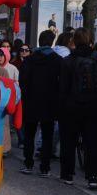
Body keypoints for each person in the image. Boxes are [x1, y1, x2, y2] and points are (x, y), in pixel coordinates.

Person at [57, 28, 97, 188]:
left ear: (74, 41)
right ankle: (93, 176)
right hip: (94, 107)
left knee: (68, 141)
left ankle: (68, 174)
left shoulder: (68, 61)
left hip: (71, 107)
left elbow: (63, 87)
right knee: (92, 142)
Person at [19, 30, 61, 176]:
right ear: (52, 42)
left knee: (29, 134)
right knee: (47, 136)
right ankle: (45, 167)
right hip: (49, 103)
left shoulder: (30, 59)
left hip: (31, 102)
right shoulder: (57, 60)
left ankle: (28, 163)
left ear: (39, 41)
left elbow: (23, 82)